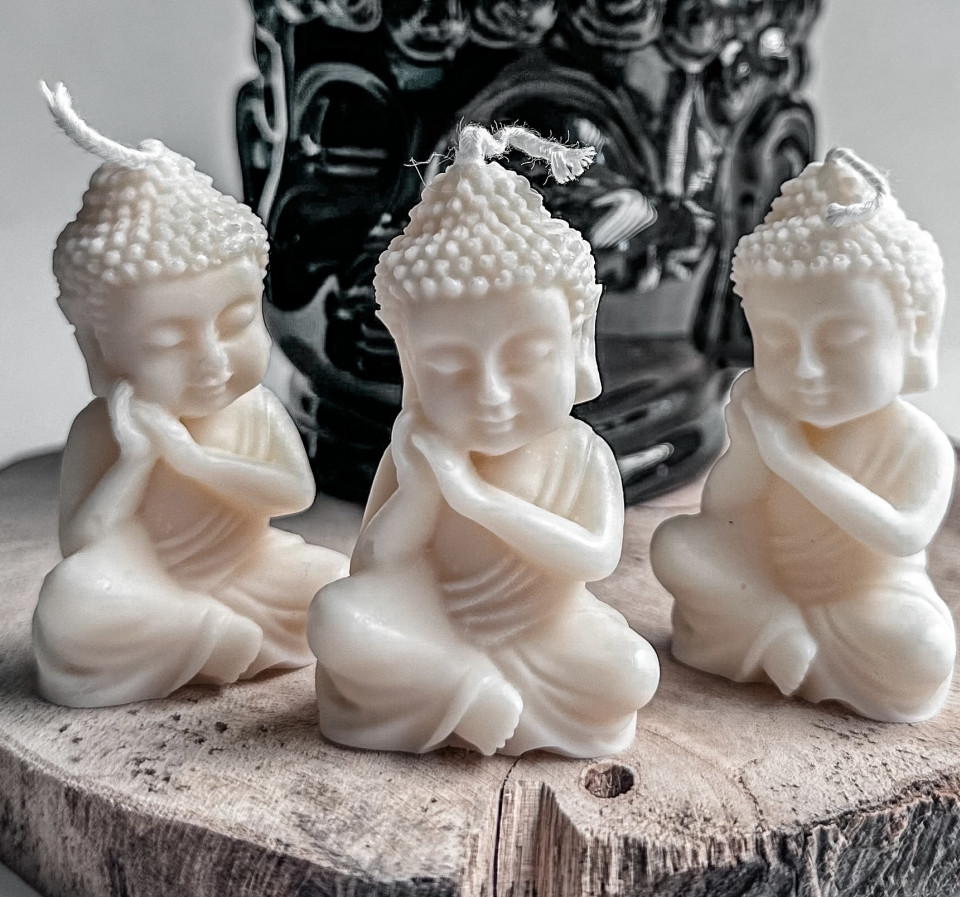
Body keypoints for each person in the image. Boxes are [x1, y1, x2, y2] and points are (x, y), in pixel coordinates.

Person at [308, 125, 660, 756]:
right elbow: (378, 566)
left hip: (548, 631)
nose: (491, 394)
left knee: (630, 671)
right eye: (449, 366)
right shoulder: (418, 447)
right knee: (337, 618)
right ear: (410, 363)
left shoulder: (580, 452)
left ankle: (459, 691)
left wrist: (473, 497)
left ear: (578, 342)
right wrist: (423, 491)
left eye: (525, 358)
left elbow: (594, 558)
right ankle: (469, 687)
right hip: (433, 619)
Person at [32, 84, 348, 708]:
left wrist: (190, 458)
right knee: (71, 603)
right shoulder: (105, 430)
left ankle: (212, 636)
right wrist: (136, 461)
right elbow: (84, 543)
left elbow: (293, 494)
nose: (212, 361)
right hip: (146, 583)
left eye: (235, 324)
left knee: (335, 582)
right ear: (101, 348)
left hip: (253, 570)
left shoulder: (254, 410)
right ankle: (210, 635)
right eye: (167, 342)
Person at [651, 148, 956, 722]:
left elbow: (902, 535)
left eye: (840, 341)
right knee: (676, 545)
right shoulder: (772, 419)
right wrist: (750, 447)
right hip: (766, 580)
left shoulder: (916, 442)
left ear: (914, 333)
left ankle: (781, 640)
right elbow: (726, 518)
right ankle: (779, 632)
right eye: (779, 343)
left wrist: (793, 460)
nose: (808, 369)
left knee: (923, 650)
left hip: (870, 601)